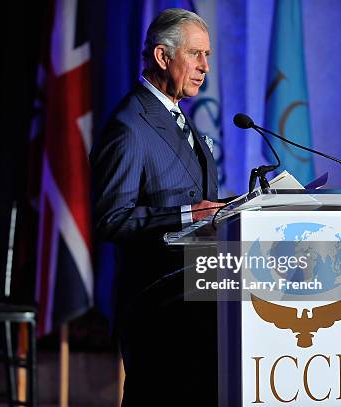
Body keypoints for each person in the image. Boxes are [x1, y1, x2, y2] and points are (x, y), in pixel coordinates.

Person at [90, 8, 223, 406]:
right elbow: (110, 219)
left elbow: (191, 196)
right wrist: (188, 216)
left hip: (200, 300)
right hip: (158, 311)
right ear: (163, 57)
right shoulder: (130, 126)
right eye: (195, 55)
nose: (204, 67)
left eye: (208, 56)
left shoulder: (178, 118)